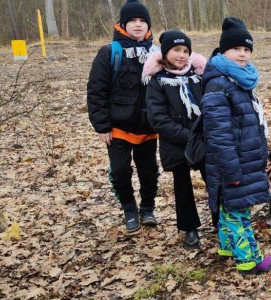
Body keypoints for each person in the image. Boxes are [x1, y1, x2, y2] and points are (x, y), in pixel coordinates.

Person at [201, 17, 271, 273]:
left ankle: (226, 247)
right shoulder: (219, 83)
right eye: (236, 49)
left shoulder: (237, 80)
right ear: (223, 51)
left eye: (246, 50)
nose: (242, 55)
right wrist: (231, 171)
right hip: (232, 163)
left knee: (227, 206)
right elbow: (218, 134)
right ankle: (249, 260)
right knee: (239, 211)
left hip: (243, 158)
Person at [86, 0, 159, 234]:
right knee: (119, 171)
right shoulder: (110, 53)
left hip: (148, 126)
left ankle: (147, 208)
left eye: (142, 21)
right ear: (123, 24)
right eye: (132, 21)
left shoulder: (157, 53)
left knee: (148, 170)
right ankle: (129, 208)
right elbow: (96, 90)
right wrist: (102, 126)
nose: (138, 25)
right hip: (117, 127)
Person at [143, 29, 207, 248]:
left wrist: (203, 133)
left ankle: (222, 220)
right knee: (182, 186)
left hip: (202, 139)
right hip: (176, 142)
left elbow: (208, 105)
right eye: (176, 50)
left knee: (214, 179)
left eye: (185, 50)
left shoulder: (197, 77)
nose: (181, 55)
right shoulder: (158, 82)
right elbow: (157, 119)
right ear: (165, 52)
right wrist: (187, 136)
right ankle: (189, 228)